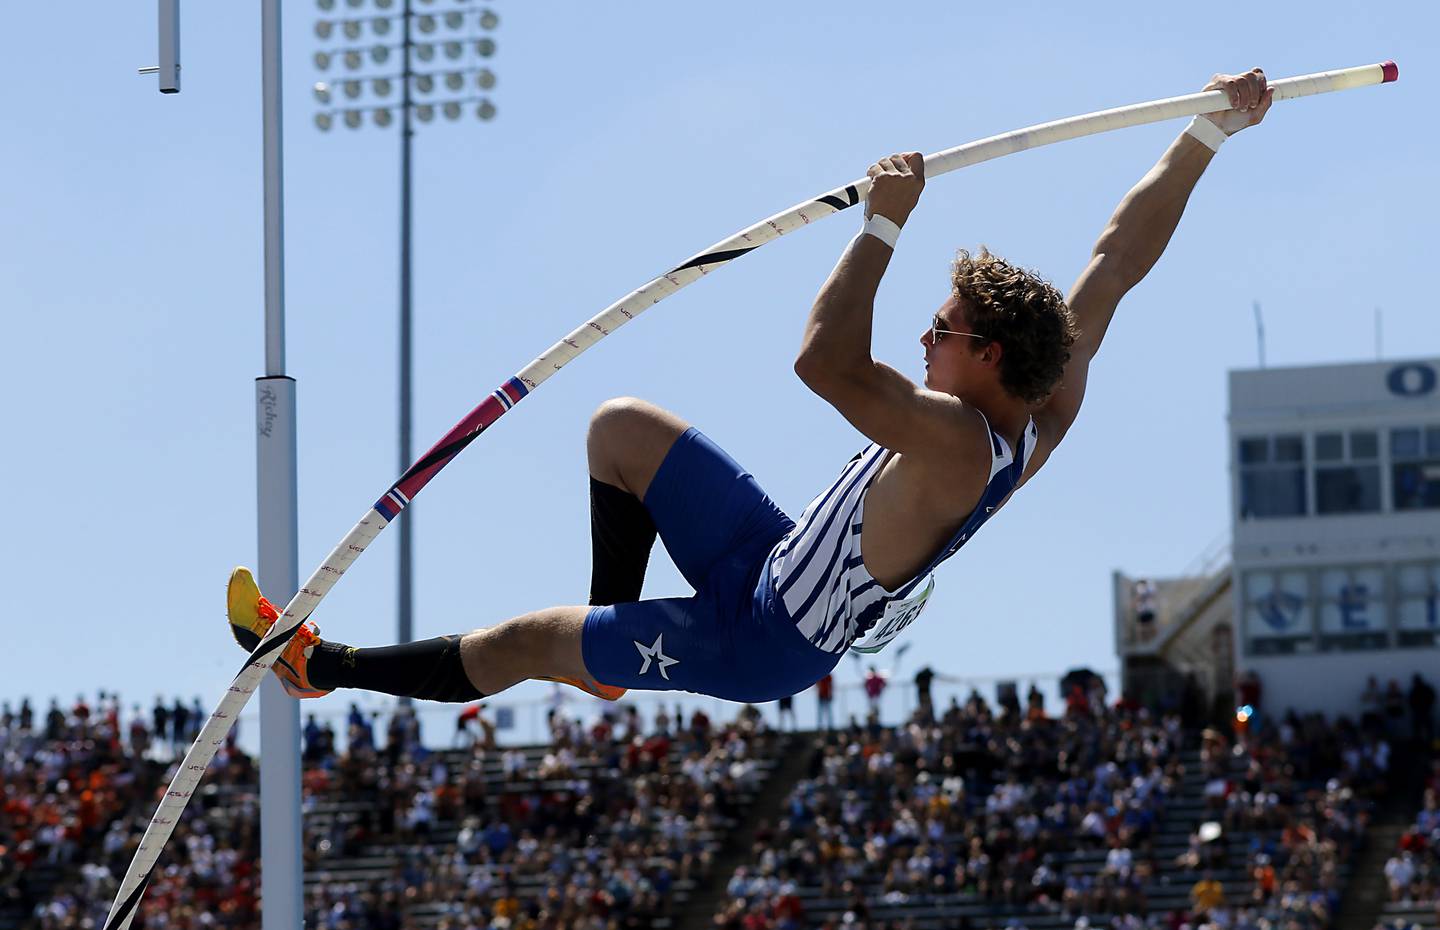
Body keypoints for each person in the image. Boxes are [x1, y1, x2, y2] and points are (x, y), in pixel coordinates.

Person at [224, 69, 1276, 710]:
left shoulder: (959, 444)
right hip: (771, 555)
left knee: (524, 643)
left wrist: (882, 220)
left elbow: (822, 361)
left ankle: (328, 669)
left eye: (943, 330)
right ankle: (612, 637)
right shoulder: (1044, 405)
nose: (926, 335)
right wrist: (1208, 134)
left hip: (764, 641)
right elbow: (1119, 253)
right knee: (618, 430)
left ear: (990, 356)